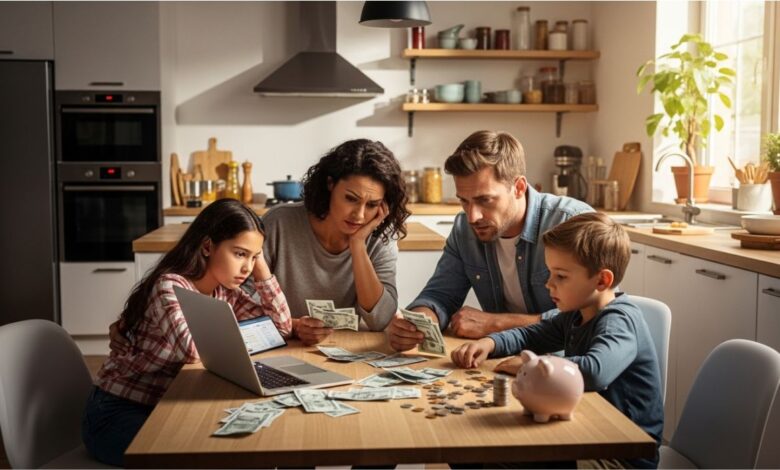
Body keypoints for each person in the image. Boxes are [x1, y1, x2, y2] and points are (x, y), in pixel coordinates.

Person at [83, 199, 292, 467]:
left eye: (254, 257)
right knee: (208, 455)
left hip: (168, 406)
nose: (247, 268)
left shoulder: (225, 290)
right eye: (240, 254)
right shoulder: (169, 285)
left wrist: (261, 266)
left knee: (242, 445)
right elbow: (194, 351)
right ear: (207, 246)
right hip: (116, 413)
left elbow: (281, 328)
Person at [451, 212, 664, 469]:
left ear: (601, 280)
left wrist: (531, 366)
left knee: (498, 457)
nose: (549, 284)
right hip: (585, 435)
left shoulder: (619, 320)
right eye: (550, 273)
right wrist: (490, 343)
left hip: (619, 456)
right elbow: (530, 334)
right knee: (471, 454)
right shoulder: (576, 313)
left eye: (561, 276)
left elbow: (596, 371)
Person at [386, 130, 592, 352]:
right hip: (499, 358)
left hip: (568, 367)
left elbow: (595, 315)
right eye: (464, 201)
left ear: (519, 188)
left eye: (485, 200)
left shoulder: (573, 222)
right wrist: (418, 321)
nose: (473, 216)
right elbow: (440, 295)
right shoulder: (464, 228)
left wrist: (495, 324)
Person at [262, 138, 410, 345]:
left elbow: (380, 319)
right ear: (330, 184)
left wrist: (358, 245)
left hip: (352, 350)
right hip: (286, 347)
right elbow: (241, 304)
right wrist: (292, 326)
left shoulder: (381, 235)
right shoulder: (278, 223)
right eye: (351, 199)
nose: (359, 216)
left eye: (372, 205)